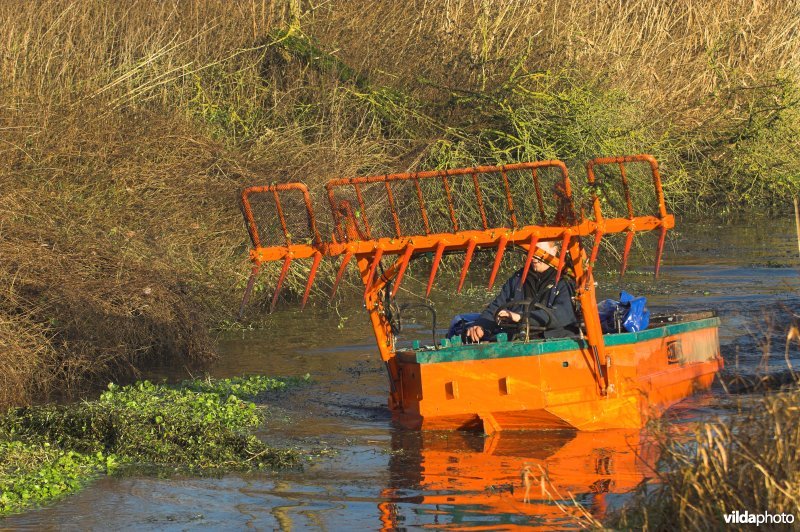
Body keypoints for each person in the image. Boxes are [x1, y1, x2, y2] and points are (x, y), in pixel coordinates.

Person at [448, 241, 579, 343]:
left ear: (554, 251)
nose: (533, 256)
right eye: (530, 251)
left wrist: (520, 317)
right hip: (518, 340)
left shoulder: (565, 280)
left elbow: (563, 314)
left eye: (539, 251)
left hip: (554, 341)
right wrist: (481, 325)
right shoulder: (518, 278)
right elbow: (496, 306)